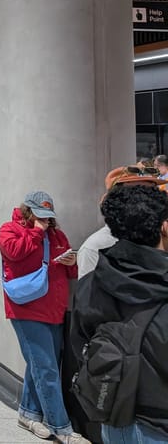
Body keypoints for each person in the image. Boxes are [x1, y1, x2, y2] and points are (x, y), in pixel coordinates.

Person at [70, 182, 168, 444]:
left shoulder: (91, 284)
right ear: (164, 227)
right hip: (160, 424)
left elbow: (81, 344)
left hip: (112, 416)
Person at [0, 191, 82, 443]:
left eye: (47, 216)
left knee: (43, 364)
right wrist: (35, 232)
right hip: (26, 308)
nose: (45, 220)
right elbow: (14, 253)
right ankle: (61, 428)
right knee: (46, 369)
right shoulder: (9, 229)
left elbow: (71, 273)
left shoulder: (57, 235)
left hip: (54, 309)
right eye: (40, 215)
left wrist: (71, 262)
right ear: (28, 211)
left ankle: (28, 414)